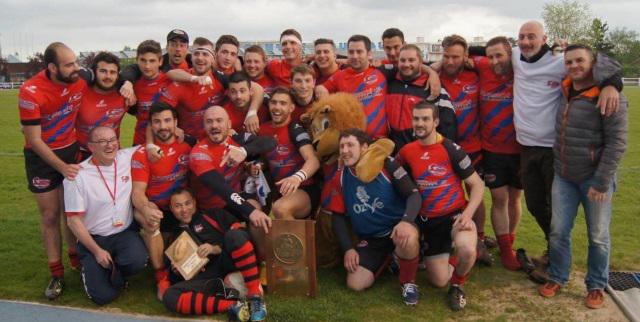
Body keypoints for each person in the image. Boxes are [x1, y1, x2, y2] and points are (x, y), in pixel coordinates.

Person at [512, 21, 622, 268]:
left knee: (558, 212)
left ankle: (556, 257)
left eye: (532, 36)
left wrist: (612, 84)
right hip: (526, 147)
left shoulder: (559, 61)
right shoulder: (514, 56)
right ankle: (555, 252)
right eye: (521, 36)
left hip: (554, 148)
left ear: (545, 38)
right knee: (535, 204)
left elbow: (601, 63)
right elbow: (477, 49)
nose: (526, 41)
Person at [538, 44, 627, 310]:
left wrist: (601, 181)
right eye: (570, 62)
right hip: (564, 175)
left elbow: (617, 143)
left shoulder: (610, 95)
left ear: (594, 62)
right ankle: (557, 277)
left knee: (598, 235)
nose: (574, 66)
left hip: (594, 179)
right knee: (558, 232)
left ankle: (596, 285)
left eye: (580, 61)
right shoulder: (565, 87)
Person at [397, 101, 484, 311]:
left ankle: (458, 286)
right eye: (416, 118)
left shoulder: (452, 150)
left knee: (466, 249)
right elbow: (393, 175)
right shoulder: (407, 151)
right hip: (426, 219)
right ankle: (423, 266)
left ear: (435, 121)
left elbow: (477, 185)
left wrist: (468, 214)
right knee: (438, 280)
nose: (420, 123)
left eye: (425, 119)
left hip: (453, 217)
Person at [18, 42, 87, 300]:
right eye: (69, 64)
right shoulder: (30, 91)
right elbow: (34, 140)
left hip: (71, 150)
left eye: (76, 62)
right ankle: (56, 273)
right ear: (52, 67)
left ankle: (75, 261)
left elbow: (117, 74)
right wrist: (62, 168)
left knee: (72, 212)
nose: (76, 68)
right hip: (42, 158)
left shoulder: (80, 78)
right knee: (50, 215)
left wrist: (126, 83)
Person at [327, 128, 421, 306]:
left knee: (406, 239)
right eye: (342, 146)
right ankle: (391, 259)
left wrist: (406, 222)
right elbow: (337, 216)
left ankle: (408, 282)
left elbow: (413, 195)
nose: (345, 151)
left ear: (364, 147)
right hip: (372, 239)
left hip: (397, 228)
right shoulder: (340, 177)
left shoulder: (387, 164)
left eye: (350, 145)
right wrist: (348, 248)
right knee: (355, 284)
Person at [63, 126, 148, 305]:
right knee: (102, 297)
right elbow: (73, 221)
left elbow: (152, 145)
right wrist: (97, 251)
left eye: (112, 140)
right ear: (91, 147)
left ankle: (114, 270)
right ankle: (94, 268)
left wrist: (178, 133)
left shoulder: (126, 157)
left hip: (123, 233)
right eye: (102, 141)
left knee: (138, 260)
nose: (109, 145)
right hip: (94, 238)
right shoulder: (77, 176)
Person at [161, 188, 266, 321]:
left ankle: (255, 297)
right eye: (178, 206)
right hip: (207, 278)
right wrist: (177, 272)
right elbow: (175, 278)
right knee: (170, 296)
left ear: (194, 202)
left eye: (187, 203)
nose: (184, 210)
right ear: (171, 208)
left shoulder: (213, 214)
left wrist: (216, 248)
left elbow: (241, 234)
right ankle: (234, 306)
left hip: (228, 262)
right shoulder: (173, 237)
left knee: (234, 235)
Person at [189, 106, 275, 261]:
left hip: (232, 203)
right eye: (209, 122)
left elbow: (270, 141)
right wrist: (250, 211)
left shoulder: (236, 140)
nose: (214, 126)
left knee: (256, 210)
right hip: (210, 211)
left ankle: (263, 261)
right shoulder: (199, 153)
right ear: (204, 126)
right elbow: (222, 189)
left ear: (229, 124)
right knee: (251, 213)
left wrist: (244, 152)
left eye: (219, 120)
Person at [438, 34, 492, 265]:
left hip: (473, 147)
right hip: (444, 148)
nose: (450, 61)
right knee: (444, 195)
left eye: (455, 57)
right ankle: (443, 239)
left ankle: (478, 238)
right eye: (446, 56)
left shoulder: (476, 74)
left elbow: (494, 57)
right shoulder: (433, 76)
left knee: (475, 196)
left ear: (466, 57)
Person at [131, 102, 193, 300]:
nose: (163, 126)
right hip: (156, 208)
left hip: (180, 209)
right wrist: (146, 208)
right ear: (151, 125)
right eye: (157, 122)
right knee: (151, 219)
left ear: (176, 123)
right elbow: (137, 193)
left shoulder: (187, 146)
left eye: (167, 120)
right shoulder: (142, 154)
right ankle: (161, 279)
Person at [471, 36, 523, 270]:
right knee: (499, 198)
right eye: (490, 56)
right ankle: (504, 250)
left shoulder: (521, 68)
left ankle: (509, 243)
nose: (493, 61)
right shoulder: (482, 66)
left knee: (515, 198)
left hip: (521, 148)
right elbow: (458, 56)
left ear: (509, 54)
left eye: (499, 55)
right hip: (492, 149)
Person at [258, 88, 320, 220]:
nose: (277, 107)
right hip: (279, 191)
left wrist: (297, 178)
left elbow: (313, 160)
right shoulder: (263, 130)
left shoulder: (295, 129)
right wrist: (255, 166)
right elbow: (264, 161)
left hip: (304, 189)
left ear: (291, 108)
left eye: (282, 103)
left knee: (281, 208)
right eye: (273, 102)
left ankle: (297, 241)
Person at [384, 44, 456, 153]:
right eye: (402, 60)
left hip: (422, 154)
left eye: (411, 60)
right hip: (394, 155)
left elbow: (448, 125)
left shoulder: (433, 87)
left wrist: (443, 154)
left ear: (420, 61)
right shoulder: (390, 84)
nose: (406, 64)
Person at [316, 34, 389, 140]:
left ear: (369, 54)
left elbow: (410, 65)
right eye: (351, 52)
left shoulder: (382, 71)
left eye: (359, 52)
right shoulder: (340, 76)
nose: (354, 56)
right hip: (351, 142)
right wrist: (324, 100)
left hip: (379, 141)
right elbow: (321, 88)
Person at [76, 52, 129, 160]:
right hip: (84, 156)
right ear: (94, 72)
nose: (108, 76)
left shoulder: (124, 94)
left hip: (113, 154)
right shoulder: (79, 93)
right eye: (103, 71)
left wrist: (130, 84)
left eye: (112, 72)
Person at [128, 40, 172, 146]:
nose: (147, 66)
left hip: (166, 142)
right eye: (143, 60)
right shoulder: (133, 85)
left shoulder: (170, 81)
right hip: (140, 142)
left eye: (152, 61)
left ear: (160, 61)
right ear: (137, 60)